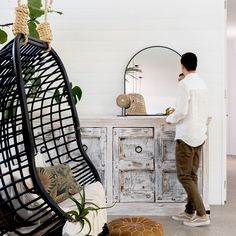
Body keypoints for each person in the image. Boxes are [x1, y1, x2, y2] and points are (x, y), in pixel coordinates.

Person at [166, 52, 210, 227]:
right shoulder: (202, 84)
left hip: (186, 135)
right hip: (199, 134)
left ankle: (202, 214)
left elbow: (182, 112)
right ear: (196, 65)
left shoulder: (184, 84)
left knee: (184, 176)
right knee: (192, 175)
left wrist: (170, 118)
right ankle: (189, 211)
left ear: (182, 65)